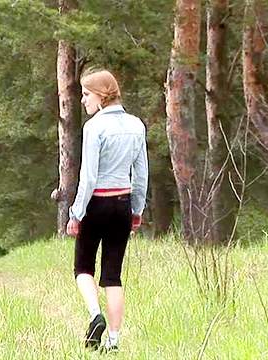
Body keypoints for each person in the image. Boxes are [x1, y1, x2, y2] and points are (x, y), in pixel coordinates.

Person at [66, 69, 148, 353]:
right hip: (123, 205)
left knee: (83, 267)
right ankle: (113, 342)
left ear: (101, 96)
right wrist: (137, 209)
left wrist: (76, 213)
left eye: (86, 94)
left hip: (96, 204)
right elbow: (141, 174)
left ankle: (94, 315)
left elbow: (87, 178)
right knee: (113, 275)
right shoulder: (137, 125)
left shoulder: (94, 128)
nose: (83, 100)